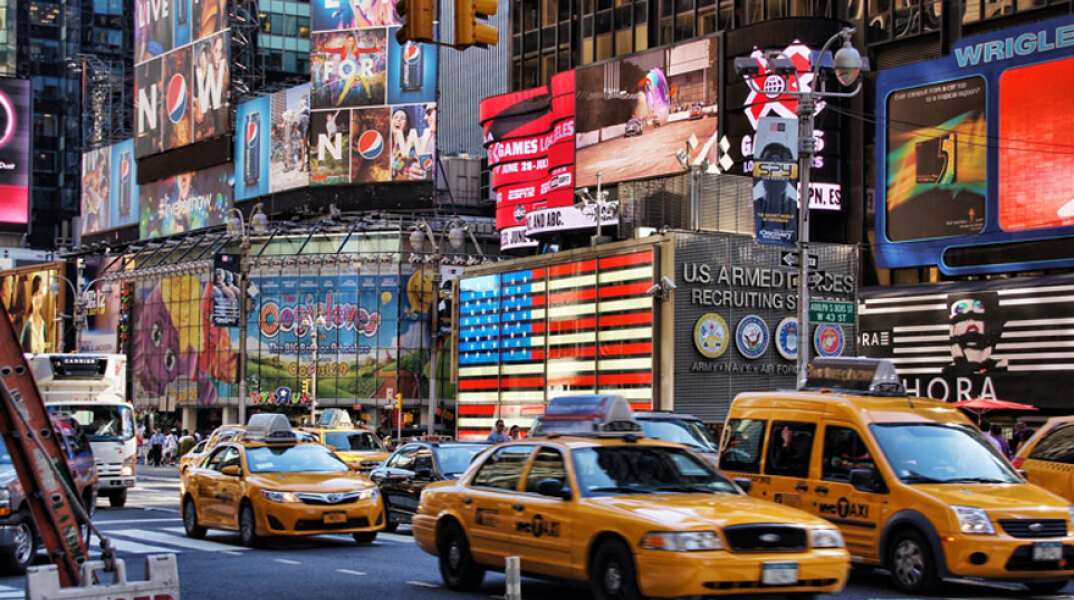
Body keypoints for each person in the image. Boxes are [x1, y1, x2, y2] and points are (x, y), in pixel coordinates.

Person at [20, 275, 47, 353]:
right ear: (32, 298)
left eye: (41, 293)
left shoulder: (43, 326)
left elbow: (45, 349)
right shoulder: (27, 326)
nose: (38, 297)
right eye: (36, 294)